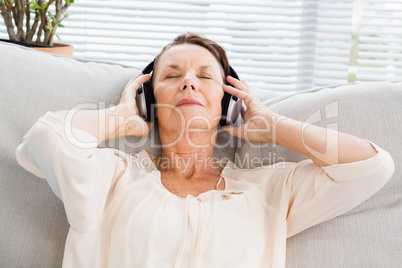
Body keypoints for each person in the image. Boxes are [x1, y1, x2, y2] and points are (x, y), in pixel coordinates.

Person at [16, 32, 394, 268]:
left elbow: (372, 166)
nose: (189, 84)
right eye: (172, 75)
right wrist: (118, 118)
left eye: (205, 76)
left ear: (228, 105)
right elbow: (45, 138)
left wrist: (275, 127)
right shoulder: (111, 177)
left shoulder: (270, 191)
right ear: (149, 101)